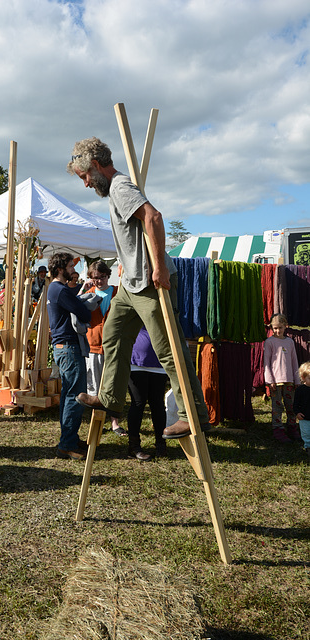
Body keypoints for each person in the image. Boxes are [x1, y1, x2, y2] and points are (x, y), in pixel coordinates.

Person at [67, 137, 209, 437]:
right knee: (113, 336)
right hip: (130, 285)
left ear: (95, 166)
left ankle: (193, 413)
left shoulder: (119, 187)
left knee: (168, 350)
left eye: (85, 178)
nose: (86, 184)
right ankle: (109, 398)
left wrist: (158, 267)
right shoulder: (114, 191)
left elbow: (153, 218)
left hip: (148, 283)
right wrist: (125, 262)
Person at [47, 252, 92, 460]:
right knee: (75, 396)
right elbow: (83, 313)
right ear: (59, 270)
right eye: (70, 266)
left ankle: (69, 438)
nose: (73, 269)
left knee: (69, 395)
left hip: (64, 347)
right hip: (68, 348)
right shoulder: (60, 290)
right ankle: (67, 444)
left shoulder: (57, 289)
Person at [81, 260, 125, 436]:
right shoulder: (88, 293)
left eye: (102, 277)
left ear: (108, 275)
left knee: (112, 385)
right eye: (95, 278)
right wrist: (83, 288)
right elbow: (74, 307)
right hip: (93, 346)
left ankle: (114, 422)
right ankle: (97, 423)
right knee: (94, 387)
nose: (99, 281)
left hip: (113, 346)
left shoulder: (117, 292)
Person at [127, 327, 168, 460]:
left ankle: (161, 444)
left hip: (159, 361)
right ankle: (134, 446)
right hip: (136, 361)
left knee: (157, 404)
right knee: (138, 403)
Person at [264, 313, 300, 443]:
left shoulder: (290, 342)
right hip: (276, 383)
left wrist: (297, 379)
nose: (278, 330)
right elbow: (266, 363)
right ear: (271, 328)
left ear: (286, 326)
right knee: (277, 406)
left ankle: (292, 427)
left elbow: (294, 361)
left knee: (291, 406)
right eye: (275, 328)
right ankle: (278, 429)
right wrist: (270, 381)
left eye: (280, 327)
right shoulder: (269, 342)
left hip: (289, 380)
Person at [292, 361, 310, 461]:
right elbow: (296, 404)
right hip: (304, 417)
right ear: (303, 378)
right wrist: (297, 413)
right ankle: (308, 447)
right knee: (306, 433)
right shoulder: (300, 390)